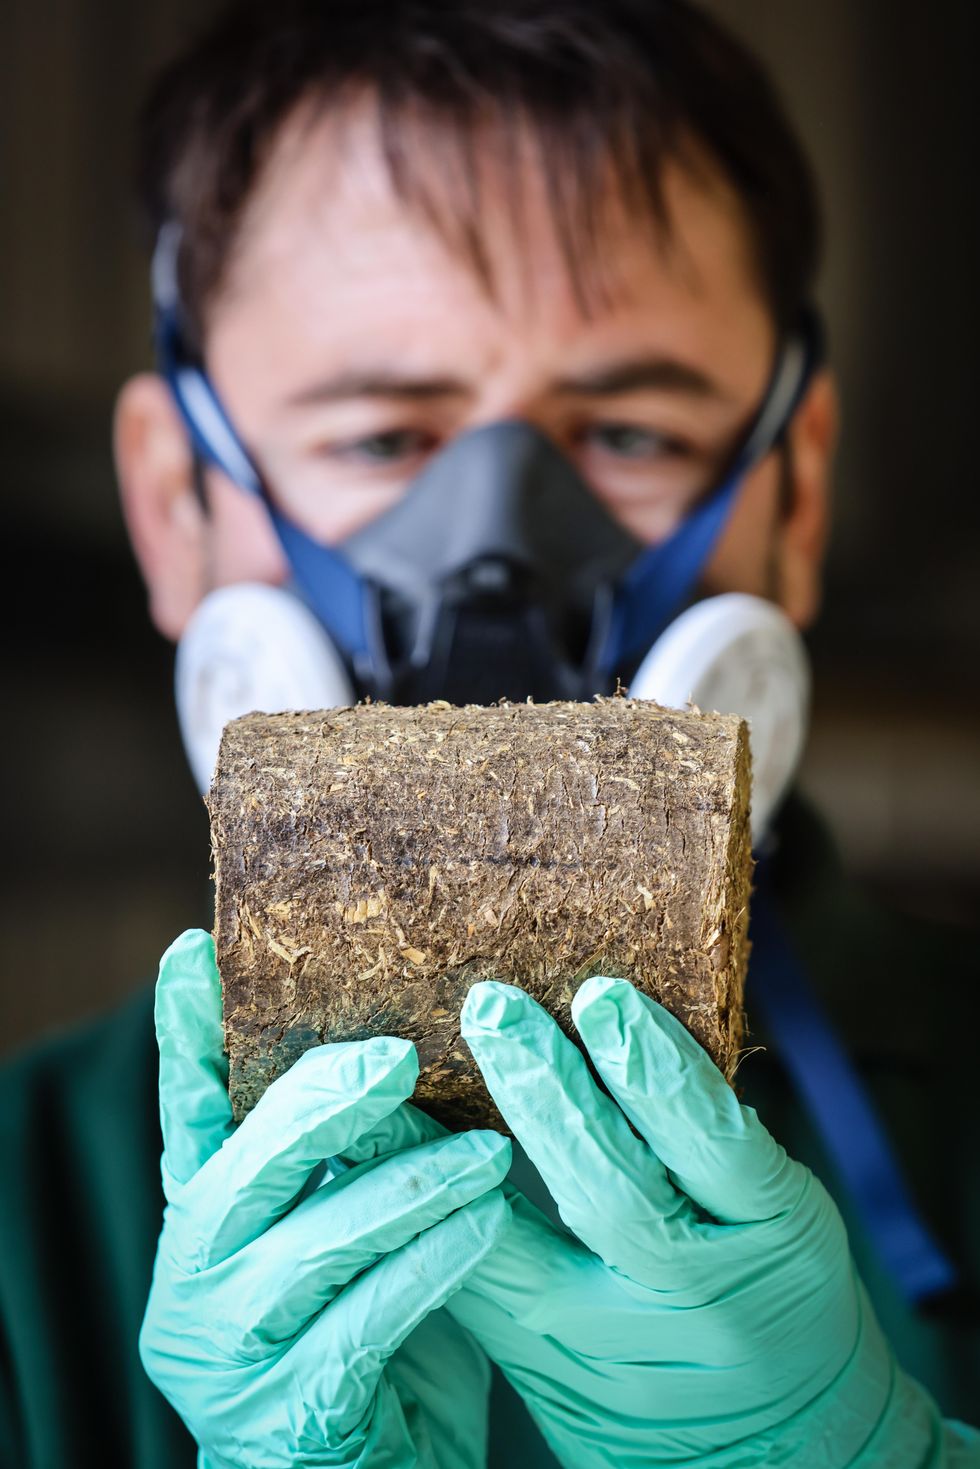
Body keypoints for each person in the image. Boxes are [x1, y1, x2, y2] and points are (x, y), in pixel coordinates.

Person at [1, 1, 977, 1465]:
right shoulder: (24, 1216)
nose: (499, 559)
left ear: (802, 498)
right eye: (383, 439)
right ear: (171, 506)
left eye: (631, 435)